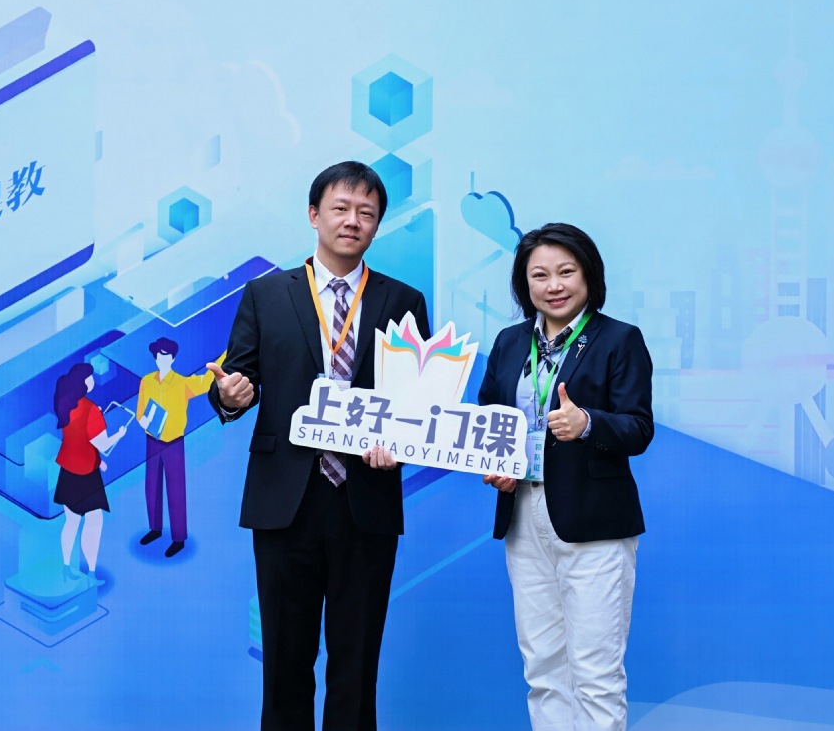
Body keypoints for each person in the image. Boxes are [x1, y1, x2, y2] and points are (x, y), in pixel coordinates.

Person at [206, 161, 430, 731]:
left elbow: (416, 402)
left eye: (366, 213)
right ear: (314, 215)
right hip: (286, 498)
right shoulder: (266, 294)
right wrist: (229, 395)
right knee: (285, 660)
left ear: (377, 225)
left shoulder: (403, 300)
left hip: (366, 496)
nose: (353, 221)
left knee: (357, 662)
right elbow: (238, 380)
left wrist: (400, 442)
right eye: (341, 208)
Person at [478, 223, 654, 731]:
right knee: (543, 671)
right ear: (524, 283)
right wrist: (496, 464)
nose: (553, 285)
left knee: (596, 675)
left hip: (593, 520)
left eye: (566, 272)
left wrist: (588, 423)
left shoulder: (619, 339)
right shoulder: (509, 342)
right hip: (522, 516)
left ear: (588, 276)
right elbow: (489, 418)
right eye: (539, 275)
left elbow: (639, 428)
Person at [53, 362, 127, 587]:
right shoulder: (91, 409)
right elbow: (102, 444)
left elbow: (78, 439)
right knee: (94, 522)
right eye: (91, 377)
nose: (93, 380)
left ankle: (66, 567)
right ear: (84, 382)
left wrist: (98, 461)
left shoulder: (65, 403)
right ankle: (91, 573)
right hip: (86, 475)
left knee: (71, 522)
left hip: (67, 471)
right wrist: (119, 434)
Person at [136, 336, 210, 558]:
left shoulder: (182, 383)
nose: (162, 360)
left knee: (176, 489)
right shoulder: (147, 381)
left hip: (174, 443)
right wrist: (144, 422)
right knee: (152, 486)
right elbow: (140, 411)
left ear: (173, 358)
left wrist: (227, 355)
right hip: (152, 440)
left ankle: (178, 538)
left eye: (166, 356)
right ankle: (155, 528)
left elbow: (206, 382)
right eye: (159, 356)